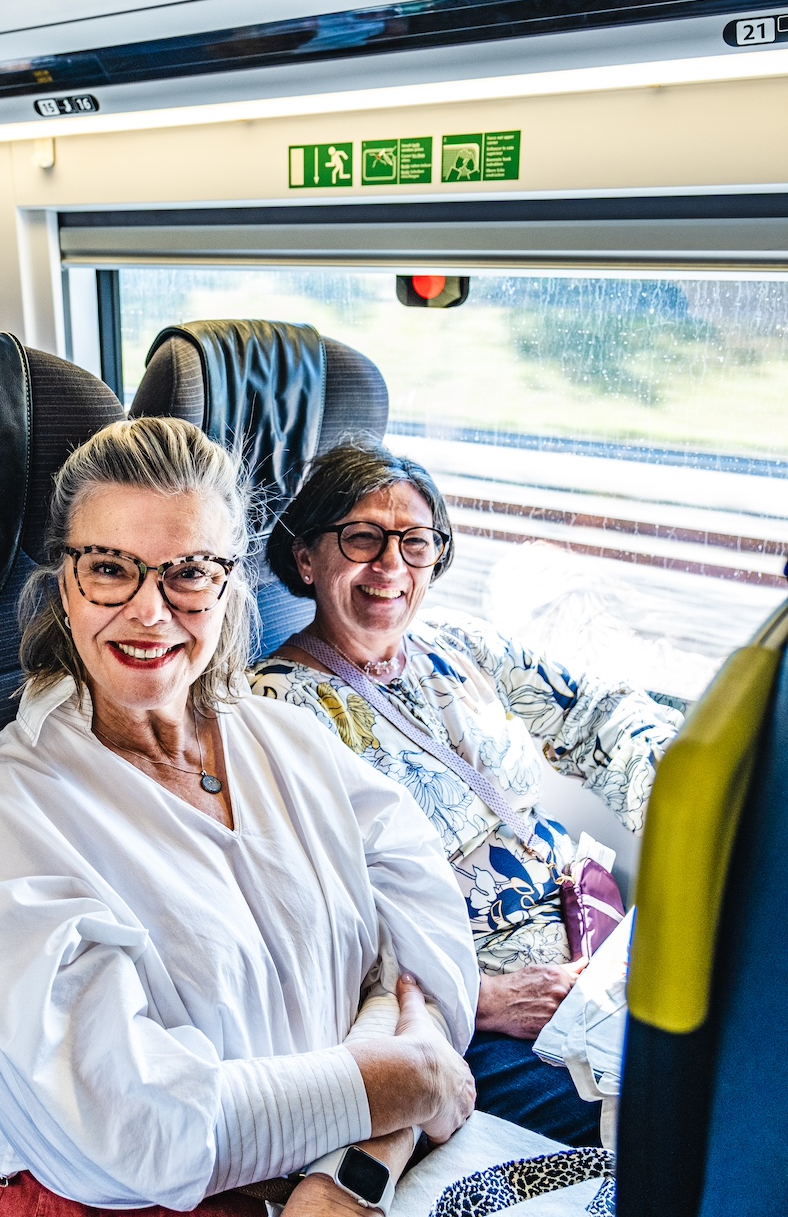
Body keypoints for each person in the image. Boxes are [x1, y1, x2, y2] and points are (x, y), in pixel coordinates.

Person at [0, 417, 479, 1217]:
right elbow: (137, 1128)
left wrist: (350, 1174)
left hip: (299, 1183)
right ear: (61, 583)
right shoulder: (8, 810)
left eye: (187, 575)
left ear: (230, 584)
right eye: (109, 570)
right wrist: (404, 1076)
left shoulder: (277, 736)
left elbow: (428, 948)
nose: (148, 611)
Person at [250, 439, 682, 1147]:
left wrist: (701, 799)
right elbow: (309, 925)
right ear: (306, 559)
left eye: (415, 543)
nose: (391, 566)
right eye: (363, 538)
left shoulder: (458, 645)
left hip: (591, 941)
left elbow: (596, 715)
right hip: (473, 1014)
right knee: (672, 1117)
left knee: (738, 1036)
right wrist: (480, 1000)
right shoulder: (273, 711)